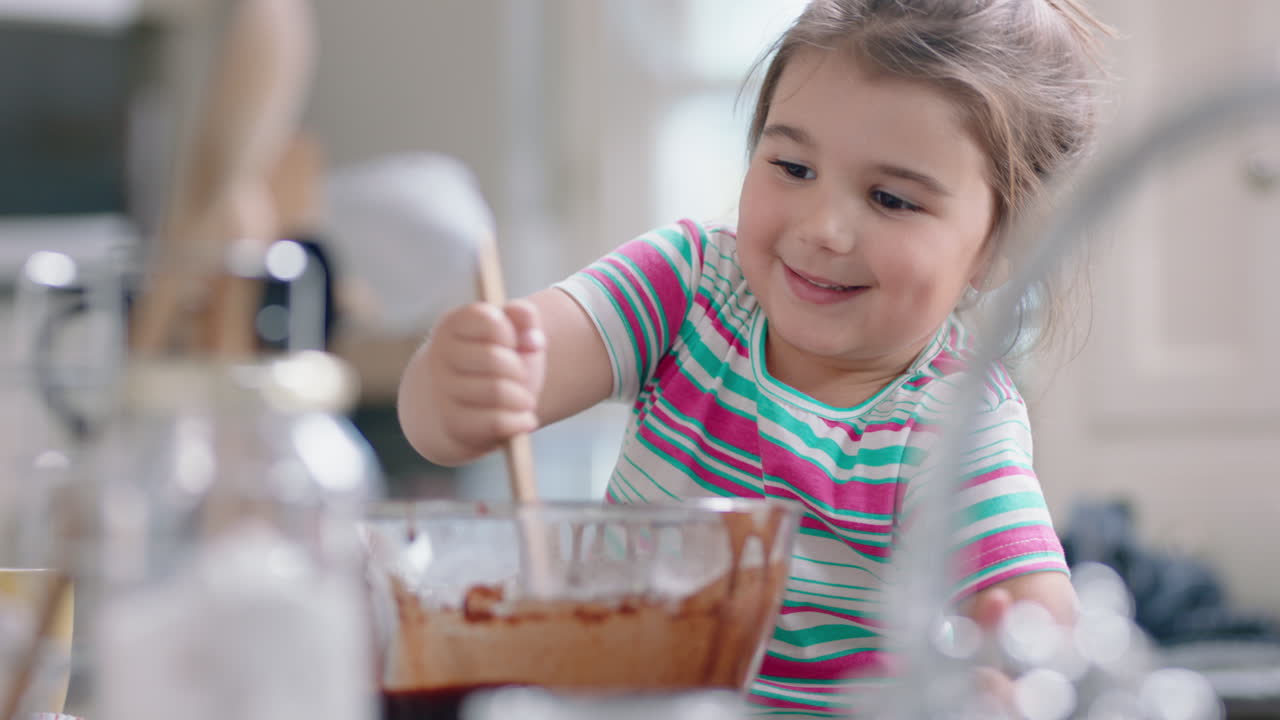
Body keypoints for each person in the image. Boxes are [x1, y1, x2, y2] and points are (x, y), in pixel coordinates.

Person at [398, 0, 1112, 714]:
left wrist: (1009, 683)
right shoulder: (693, 282)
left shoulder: (956, 419)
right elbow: (465, 409)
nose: (824, 228)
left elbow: (1035, 630)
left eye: (891, 199)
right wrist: (458, 380)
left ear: (996, 247)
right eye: (793, 166)